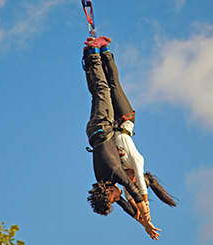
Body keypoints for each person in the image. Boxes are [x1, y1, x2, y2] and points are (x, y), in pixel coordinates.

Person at [82, 36, 160, 240]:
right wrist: (142, 222)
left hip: (103, 124)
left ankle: (93, 52)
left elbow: (134, 191)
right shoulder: (103, 179)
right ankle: (89, 56)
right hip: (94, 131)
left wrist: (146, 217)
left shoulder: (115, 173)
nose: (117, 200)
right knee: (97, 92)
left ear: (109, 192)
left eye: (113, 200)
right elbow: (125, 203)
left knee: (103, 89)